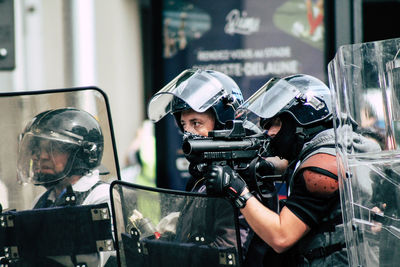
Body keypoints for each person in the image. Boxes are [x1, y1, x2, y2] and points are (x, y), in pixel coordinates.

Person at [204, 74, 381, 266]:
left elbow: (281, 237)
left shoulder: (320, 170)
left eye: (277, 123)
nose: (269, 132)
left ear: (302, 121)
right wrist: (260, 167)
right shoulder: (337, 146)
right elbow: (294, 163)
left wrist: (237, 190)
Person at [148, 68, 288, 266]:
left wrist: (170, 253)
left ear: (223, 125)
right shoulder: (203, 177)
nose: (188, 132)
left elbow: (227, 252)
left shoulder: (239, 179)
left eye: (196, 123)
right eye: (184, 124)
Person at [16, 107, 114, 267]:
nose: (39, 156)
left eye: (53, 148)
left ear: (82, 153)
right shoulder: (42, 200)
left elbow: (94, 261)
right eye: (37, 148)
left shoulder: (102, 196)